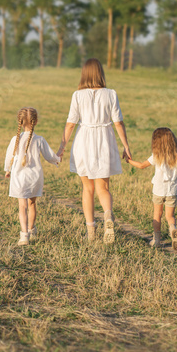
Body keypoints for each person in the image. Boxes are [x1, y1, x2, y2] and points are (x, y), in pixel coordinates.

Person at [57, 58, 132, 244]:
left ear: (84, 74)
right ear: (100, 73)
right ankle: (108, 216)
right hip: (104, 139)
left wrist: (62, 147)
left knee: (87, 188)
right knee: (103, 188)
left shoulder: (77, 95)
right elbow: (118, 123)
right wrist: (126, 146)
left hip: (84, 141)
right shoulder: (111, 94)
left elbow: (70, 123)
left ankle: (91, 232)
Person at [4, 107, 60, 246]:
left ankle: (24, 236)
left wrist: (7, 169)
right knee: (32, 204)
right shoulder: (40, 140)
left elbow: (9, 156)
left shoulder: (15, 139)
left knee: (22, 206)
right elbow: (49, 156)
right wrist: (57, 159)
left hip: (19, 177)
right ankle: (31, 230)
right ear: (36, 122)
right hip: (35, 177)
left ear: (20, 122)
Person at [124, 127, 177, 250]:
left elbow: (142, 166)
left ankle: (156, 240)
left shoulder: (156, 156)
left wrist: (129, 161)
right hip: (172, 191)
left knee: (157, 215)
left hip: (158, 190)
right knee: (170, 216)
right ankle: (173, 229)